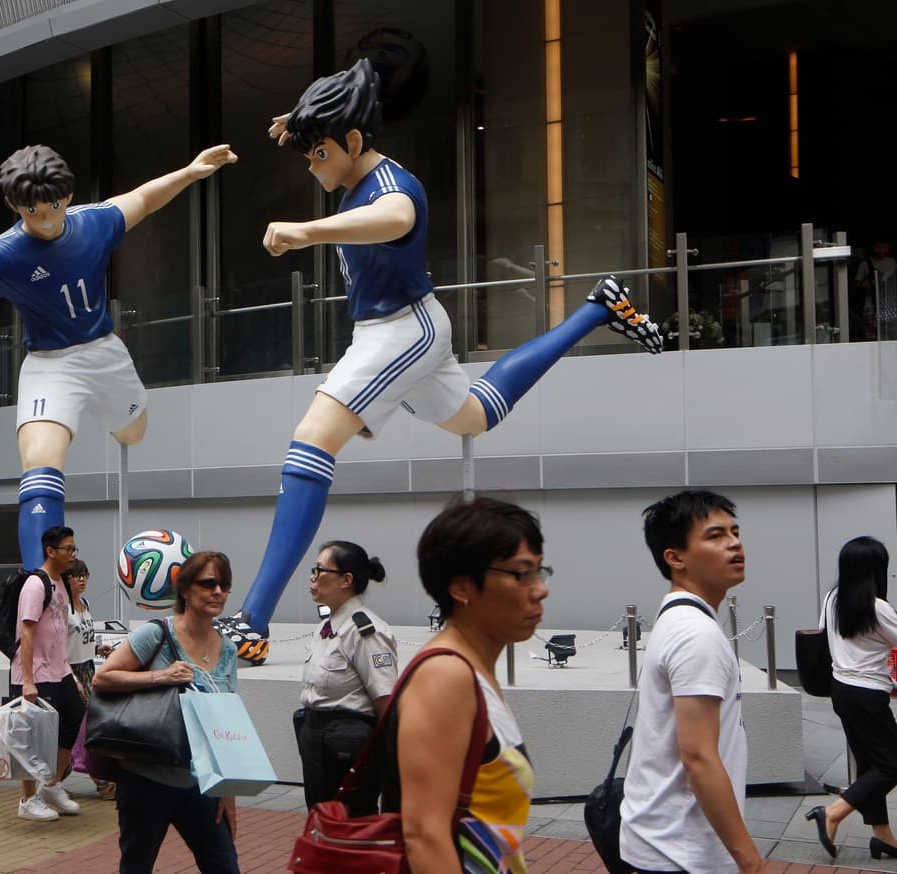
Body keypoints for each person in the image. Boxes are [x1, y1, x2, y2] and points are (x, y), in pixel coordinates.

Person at [215, 58, 663, 664]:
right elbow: (346, 181)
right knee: (475, 415)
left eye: (318, 153)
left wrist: (305, 230)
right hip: (401, 328)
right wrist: (302, 123)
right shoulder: (351, 177)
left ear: (352, 142)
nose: (310, 165)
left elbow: (396, 217)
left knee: (310, 442)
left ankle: (252, 619)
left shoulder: (393, 187)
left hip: (401, 330)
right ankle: (598, 309)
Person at [0, 143, 238, 570]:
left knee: (133, 432)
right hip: (49, 364)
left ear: (68, 196)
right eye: (33, 212)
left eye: (54, 207)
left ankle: (122, 417)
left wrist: (190, 171)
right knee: (39, 461)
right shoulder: (4, 250)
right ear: (14, 205)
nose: (46, 220)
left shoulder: (91, 222)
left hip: (105, 352)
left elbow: (144, 199)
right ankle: (39, 583)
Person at [376, 497, 547, 872]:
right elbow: (425, 835)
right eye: (521, 573)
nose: (539, 589)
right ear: (462, 587)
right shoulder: (446, 677)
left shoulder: (473, 671)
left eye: (539, 571)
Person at [619, 490, 768, 874]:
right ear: (675, 557)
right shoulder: (695, 634)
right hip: (679, 852)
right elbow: (699, 757)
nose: (734, 543)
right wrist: (750, 861)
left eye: (735, 531)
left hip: (665, 842)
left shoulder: (678, 618)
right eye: (715, 535)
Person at [94, 551, 240, 874]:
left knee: (225, 867)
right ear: (185, 590)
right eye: (209, 583)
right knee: (137, 866)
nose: (218, 592)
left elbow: (224, 721)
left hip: (201, 783)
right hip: (147, 777)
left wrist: (228, 791)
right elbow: (102, 678)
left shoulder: (228, 649)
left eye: (224, 585)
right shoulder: (156, 634)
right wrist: (161, 676)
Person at [805, 536, 897, 860]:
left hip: (841, 690)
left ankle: (883, 837)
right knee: (892, 765)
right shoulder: (878, 608)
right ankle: (833, 813)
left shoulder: (833, 599)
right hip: (868, 696)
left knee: (871, 765)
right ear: (876, 571)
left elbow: (823, 636)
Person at [296, 539, 396, 815]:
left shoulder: (366, 631)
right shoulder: (325, 628)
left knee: (353, 828)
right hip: (317, 741)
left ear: (346, 580)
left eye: (320, 570)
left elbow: (385, 701)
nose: (313, 578)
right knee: (322, 824)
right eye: (313, 570)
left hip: (348, 748)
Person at [11, 525, 85, 821]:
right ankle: (28, 800)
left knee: (74, 721)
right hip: (34, 673)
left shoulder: (62, 585)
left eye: (74, 549)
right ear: (50, 551)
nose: (72, 554)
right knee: (32, 738)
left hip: (59, 671)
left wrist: (72, 675)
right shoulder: (35, 584)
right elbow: (26, 633)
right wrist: (27, 680)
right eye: (68, 549)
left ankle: (51, 784)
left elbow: (59, 634)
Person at [63, 559, 116, 799]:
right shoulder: (62, 608)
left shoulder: (84, 603)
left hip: (88, 670)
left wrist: (98, 648)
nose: (82, 579)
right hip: (70, 672)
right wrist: (72, 678)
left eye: (85, 575)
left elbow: (82, 639)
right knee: (83, 727)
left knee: (92, 725)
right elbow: (58, 646)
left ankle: (61, 777)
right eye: (76, 575)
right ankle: (101, 781)